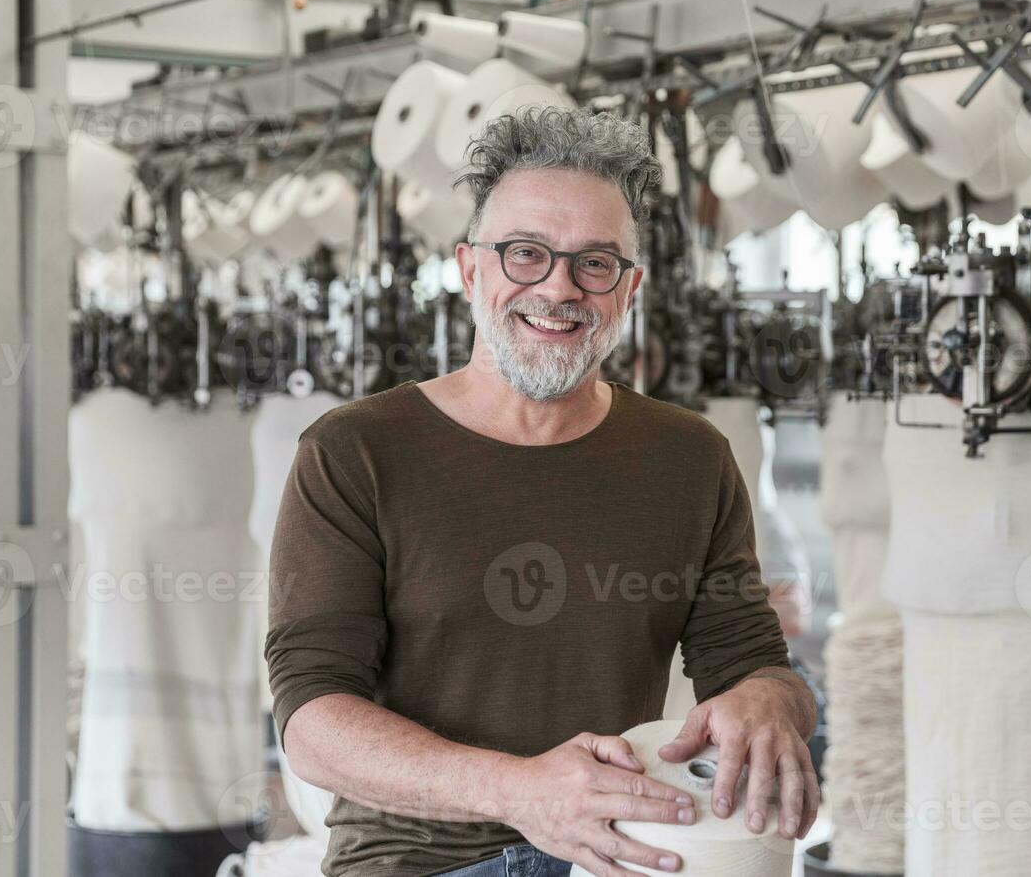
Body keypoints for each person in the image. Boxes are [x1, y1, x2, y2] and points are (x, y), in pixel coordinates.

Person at [265, 106, 819, 877]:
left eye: (595, 263)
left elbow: (751, 662)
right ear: (470, 269)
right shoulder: (355, 452)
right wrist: (520, 790)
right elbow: (312, 723)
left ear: (629, 289)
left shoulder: (690, 457)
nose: (558, 289)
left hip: (617, 858)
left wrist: (767, 700)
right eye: (526, 253)